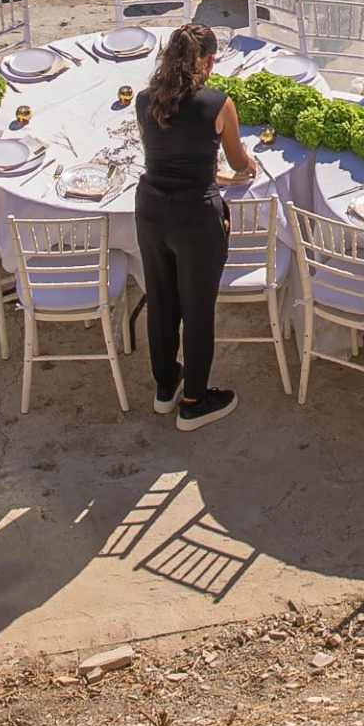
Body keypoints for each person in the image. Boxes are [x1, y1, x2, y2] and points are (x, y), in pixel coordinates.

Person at [132, 22, 256, 430]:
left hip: (151, 209)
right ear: (205, 61)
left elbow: (170, 154)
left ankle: (166, 387)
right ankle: (194, 400)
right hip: (195, 217)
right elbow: (238, 163)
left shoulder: (145, 100)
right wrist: (245, 166)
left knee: (162, 301)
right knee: (198, 309)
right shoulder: (219, 104)